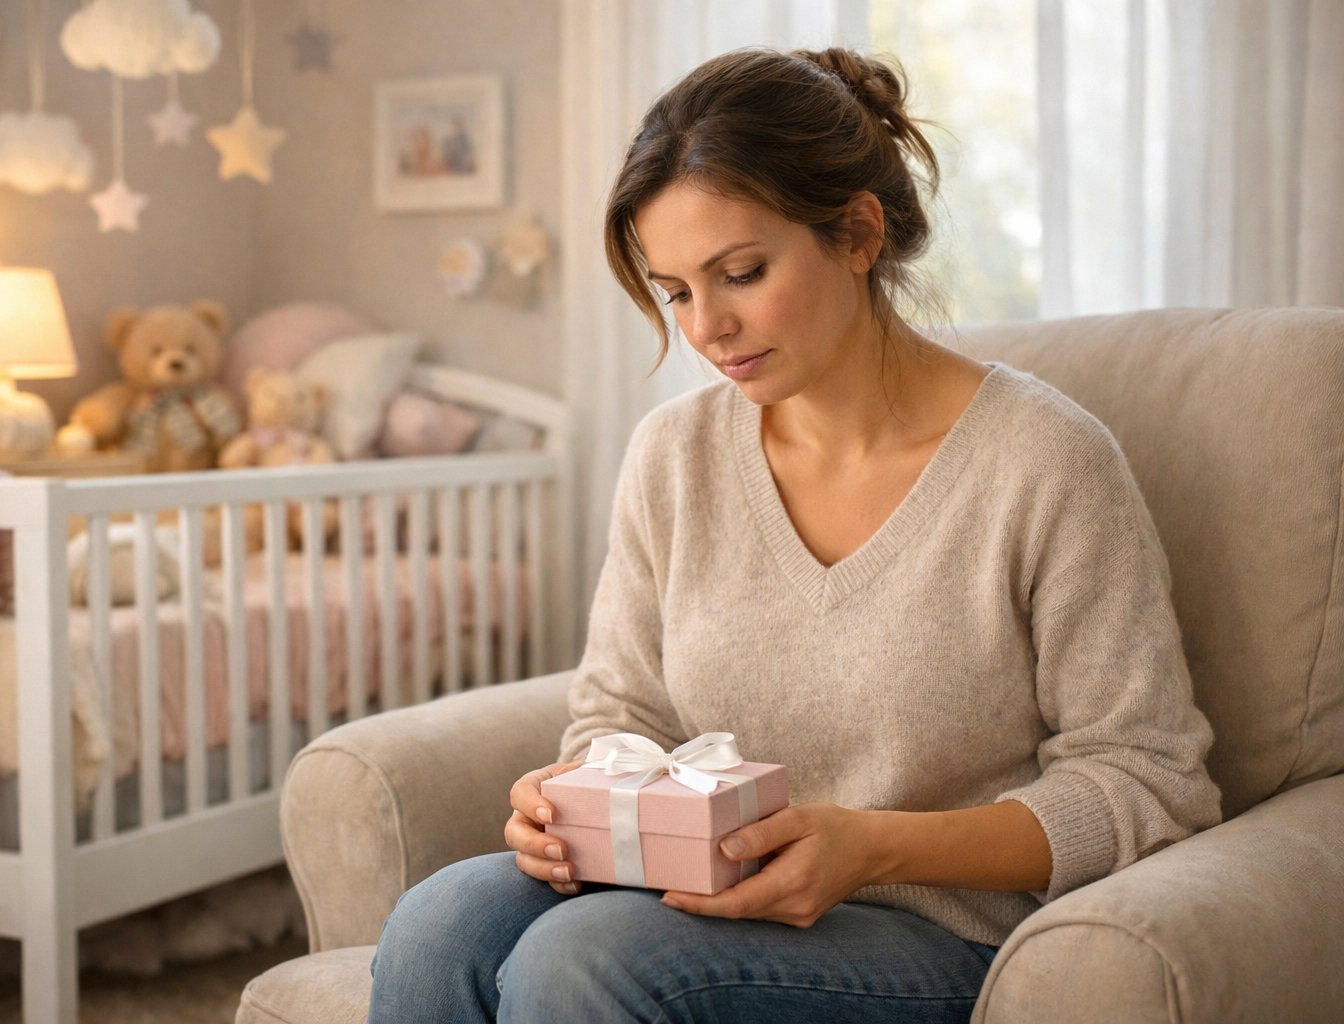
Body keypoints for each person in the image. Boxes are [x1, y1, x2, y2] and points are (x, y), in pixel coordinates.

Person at [367, 45, 1221, 1023]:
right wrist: (573, 797)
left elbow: (1151, 784)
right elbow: (621, 717)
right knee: (438, 920)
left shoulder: (1044, 461)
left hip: (942, 931)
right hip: (699, 897)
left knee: (580, 961)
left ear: (858, 233)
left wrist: (872, 844)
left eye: (741, 273)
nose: (706, 328)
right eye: (678, 290)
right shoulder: (674, 456)